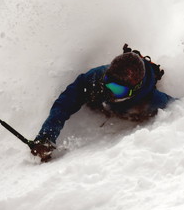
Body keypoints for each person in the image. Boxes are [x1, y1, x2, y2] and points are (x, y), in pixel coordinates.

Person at [29, 45, 174, 162]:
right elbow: (64, 104)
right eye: (107, 83)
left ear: (134, 90)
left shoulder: (152, 100)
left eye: (117, 90)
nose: (109, 93)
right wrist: (46, 137)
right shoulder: (95, 78)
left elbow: (180, 110)